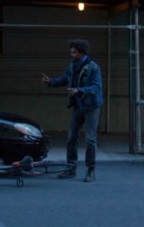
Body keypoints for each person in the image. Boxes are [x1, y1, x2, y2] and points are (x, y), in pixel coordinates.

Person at [41, 39, 103, 182]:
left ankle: (91, 170)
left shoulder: (93, 67)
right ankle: (71, 168)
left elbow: (96, 87)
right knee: (71, 137)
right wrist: (50, 82)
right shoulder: (72, 66)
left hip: (91, 106)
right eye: (71, 51)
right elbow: (64, 79)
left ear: (81, 53)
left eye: (74, 52)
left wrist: (78, 90)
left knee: (90, 139)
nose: (71, 54)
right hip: (78, 105)